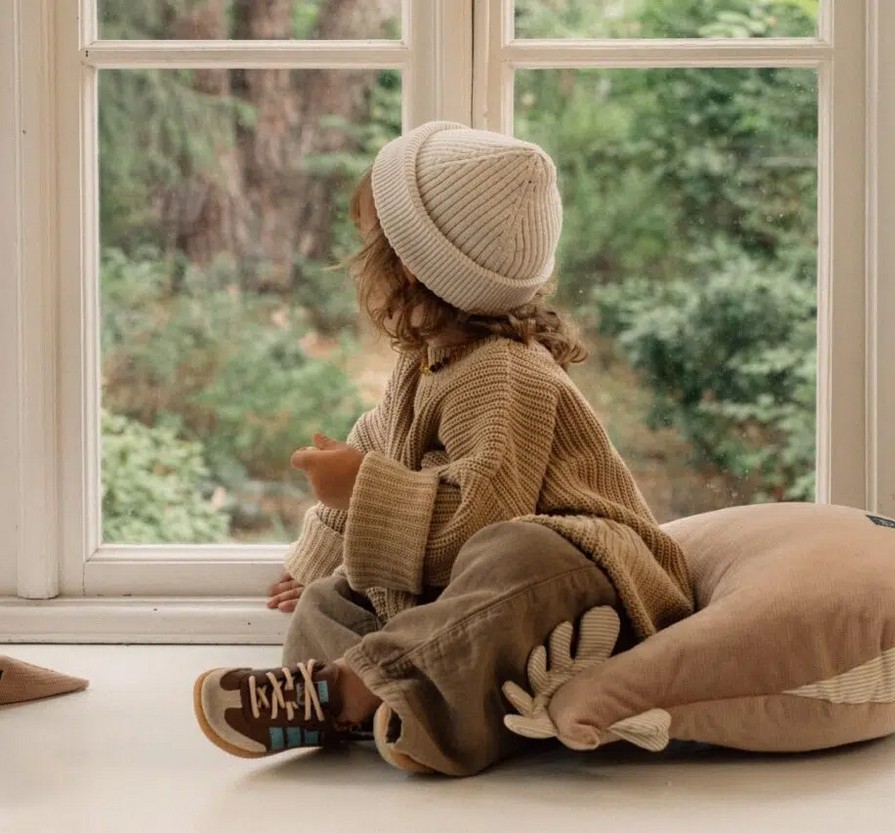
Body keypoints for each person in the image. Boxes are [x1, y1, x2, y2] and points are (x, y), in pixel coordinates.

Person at [192, 121, 694, 776]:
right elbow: (377, 444)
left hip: (590, 581)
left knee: (519, 552)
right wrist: (316, 560)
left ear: (404, 266)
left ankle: (350, 693)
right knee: (336, 600)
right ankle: (402, 704)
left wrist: (362, 488)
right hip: (482, 594)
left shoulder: (504, 372)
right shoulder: (425, 361)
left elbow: (479, 521)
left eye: (365, 244)